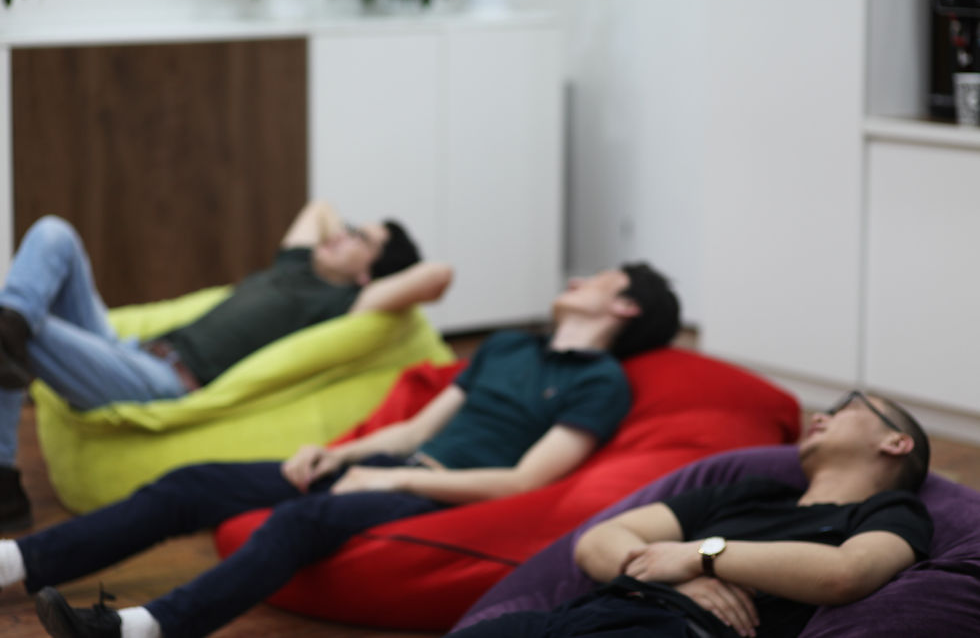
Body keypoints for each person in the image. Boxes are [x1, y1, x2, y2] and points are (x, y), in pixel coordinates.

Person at [0, 262, 681, 638]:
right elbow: (416, 429)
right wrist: (335, 456)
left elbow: (523, 480)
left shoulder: (601, 383)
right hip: (390, 468)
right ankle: (12, 561)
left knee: (295, 523)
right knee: (189, 482)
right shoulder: (506, 345)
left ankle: (141, 630)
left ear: (623, 308)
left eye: (599, 277)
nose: (577, 277)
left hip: (434, 491)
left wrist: (400, 484)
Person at [0, 202, 453, 531]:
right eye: (349, 229)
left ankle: (2, 473)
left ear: (370, 276)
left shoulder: (348, 301)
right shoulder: (297, 263)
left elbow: (438, 277)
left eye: (359, 238)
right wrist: (351, 236)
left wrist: (374, 271)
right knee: (53, 233)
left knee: (25, 330)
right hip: (132, 348)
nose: (340, 234)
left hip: (161, 381)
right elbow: (320, 210)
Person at [447, 390, 933, 638]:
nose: (819, 415)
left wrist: (702, 554)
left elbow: (845, 575)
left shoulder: (892, 512)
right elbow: (599, 540)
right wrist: (682, 574)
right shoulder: (753, 493)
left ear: (895, 442)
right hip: (578, 615)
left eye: (848, 406)